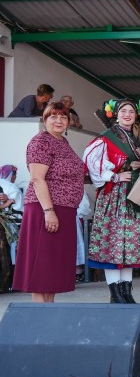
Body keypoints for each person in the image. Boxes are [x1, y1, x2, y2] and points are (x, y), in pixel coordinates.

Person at [84, 98, 140, 304]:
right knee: (114, 244)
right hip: (115, 196)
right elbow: (92, 161)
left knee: (130, 246)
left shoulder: (139, 140)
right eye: (123, 111)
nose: (127, 114)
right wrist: (115, 176)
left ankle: (126, 291)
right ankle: (115, 293)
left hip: (136, 195)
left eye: (131, 112)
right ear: (116, 114)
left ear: (136, 116)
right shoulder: (107, 137)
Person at [12, 102, 84, 302]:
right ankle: (39, 314)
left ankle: (49, 310)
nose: (59, 121)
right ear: (45, 120)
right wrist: (49, 211)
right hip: (46, 207)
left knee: (53, 267)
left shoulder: (63, 143)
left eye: (63, 117)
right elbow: (37, 178)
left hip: (65, 210)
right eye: (53, 116)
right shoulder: (41, 142)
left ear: (69, 122)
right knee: (42, 265)